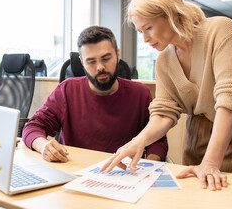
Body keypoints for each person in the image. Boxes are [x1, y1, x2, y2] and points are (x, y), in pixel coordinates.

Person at [101, 0, 232, 191]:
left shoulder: (219, 29)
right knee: (191, 193)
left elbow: (230, 98)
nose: (145, 39)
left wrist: (211, 162)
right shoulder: (164, 61)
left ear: (170, 13)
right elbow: (164, 112)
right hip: (196, 129)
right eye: (140, 32)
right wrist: (138, 141)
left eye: (148, 28)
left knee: (217, 193)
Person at [22, 26, 168, 163]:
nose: (100, 67)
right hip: (74, 171)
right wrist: (43, 146)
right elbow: (32, 127)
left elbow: (157, 140)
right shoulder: (66, 90)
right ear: (82, 62)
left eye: (106, 58)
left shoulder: (140, 94)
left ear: (117, 55)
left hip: (124, 175)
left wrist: (149, 165)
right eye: (91, 61)